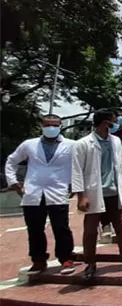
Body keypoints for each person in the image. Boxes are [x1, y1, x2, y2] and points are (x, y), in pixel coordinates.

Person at [5, 114, 76, 275]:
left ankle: (66, 259)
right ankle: (38, 260)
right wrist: (13, 182)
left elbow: (80, 165)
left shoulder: (71, 145)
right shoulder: (29, 145)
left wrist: (76, 185)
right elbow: (11, 161)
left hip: (58, 190)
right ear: (41, 126)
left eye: (55, 125)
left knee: (61, 227)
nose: (51, 128)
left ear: (60, 126)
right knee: (35, 228)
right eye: (47, 125)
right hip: (33, 191)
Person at [72, 110, 122, 278]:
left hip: (116, 192)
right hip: (94, 194)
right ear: (105, 123)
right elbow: (77, 171)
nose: (117, 124)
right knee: (91, 231)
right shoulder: (83, 144)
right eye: (114, 121)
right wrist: (81, 196)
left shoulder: (115, 141)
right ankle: (90, 264)